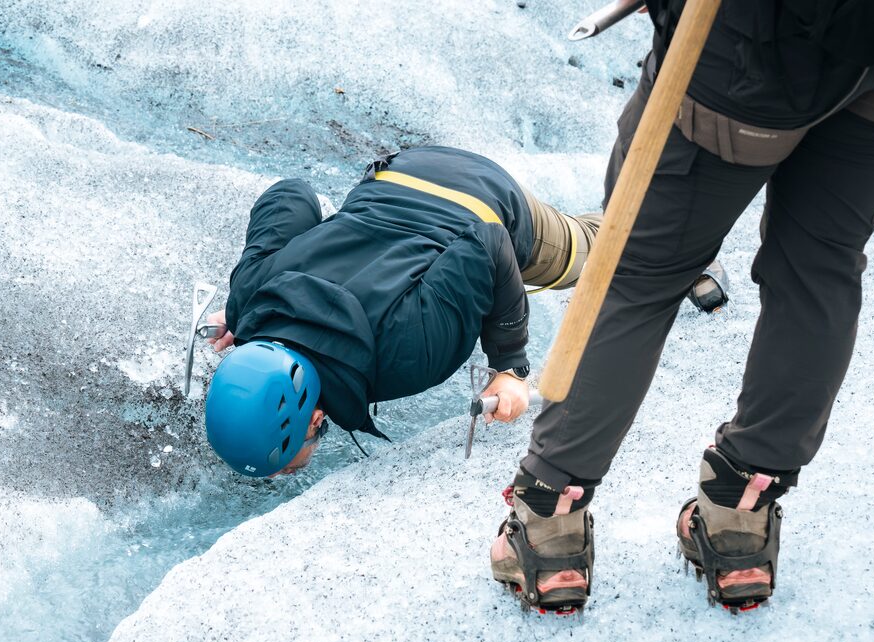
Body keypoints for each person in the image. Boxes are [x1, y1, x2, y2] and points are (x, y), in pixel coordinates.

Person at [492, 0, 874, 614]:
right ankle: (741, 512)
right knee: (822, 267)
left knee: (639, 274)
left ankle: (551, 516)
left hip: (754, 55)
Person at [202, 145, 602, 477]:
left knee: (606, 252)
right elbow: (290, 194)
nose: (283, 475)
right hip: (398, 172)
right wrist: (250, 313)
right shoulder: (253, 295)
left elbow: (489, 244)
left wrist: (510, 367)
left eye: (289, 467)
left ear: (314, 420)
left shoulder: (405, 353)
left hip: (479, 195)